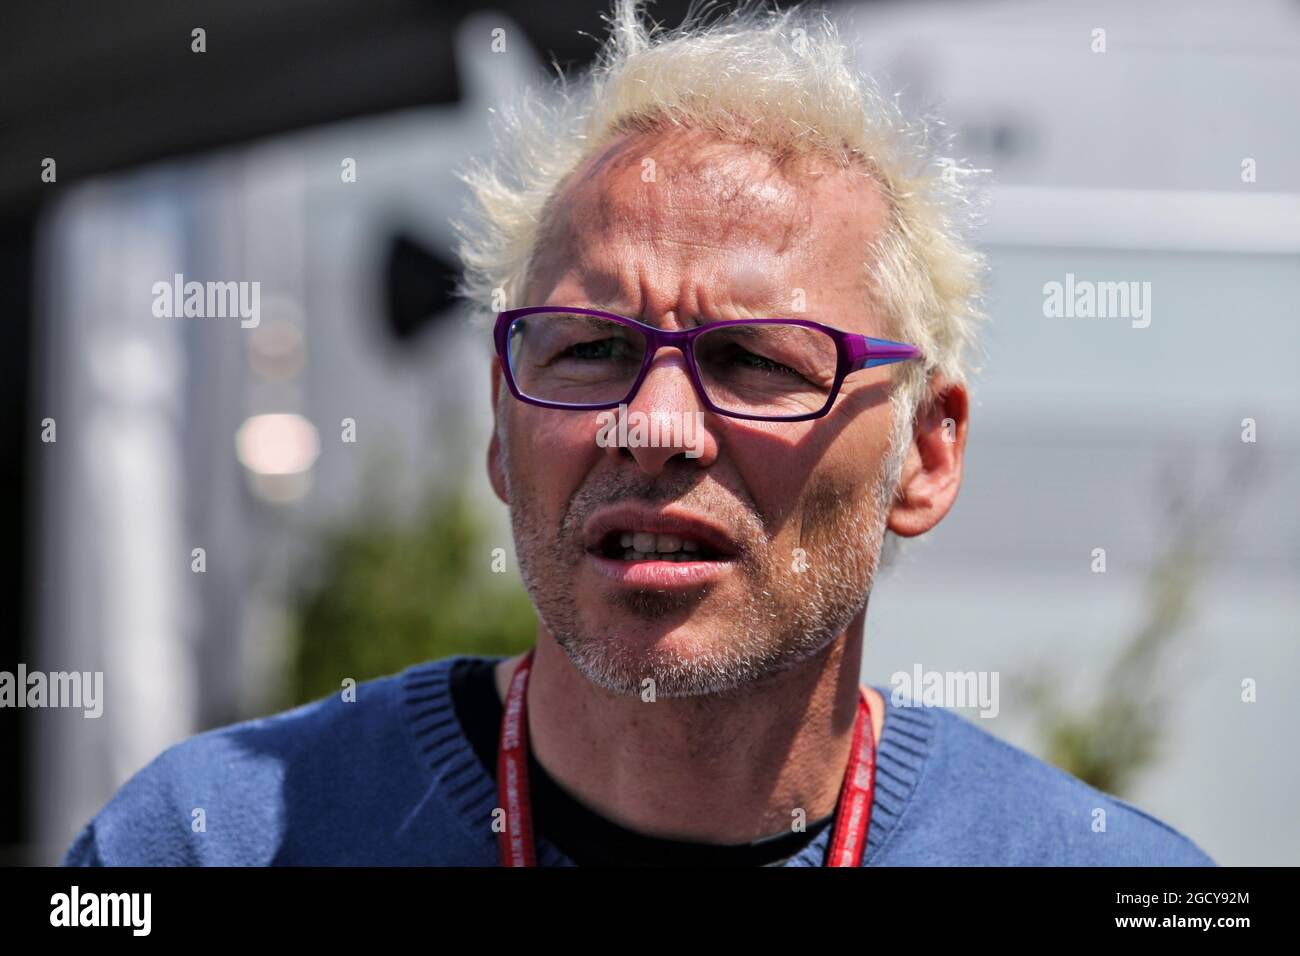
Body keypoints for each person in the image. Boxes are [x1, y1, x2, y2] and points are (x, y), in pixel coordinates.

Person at [64, 0, 1213, 867]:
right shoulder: (209, 841)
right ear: (503, 436)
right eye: (588, 349)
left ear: (925, 451)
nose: (653, 424)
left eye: (757, 360)